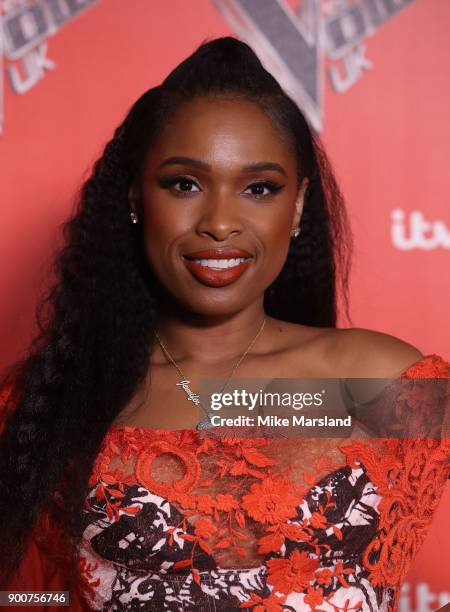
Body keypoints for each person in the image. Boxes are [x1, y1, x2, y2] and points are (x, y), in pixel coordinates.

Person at [0, 37, 448, 612]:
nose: (219, 223)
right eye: (184, 184)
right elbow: (26, 595)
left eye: (259, 188)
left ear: (299, 205)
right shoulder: (55, 400)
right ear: (137, 197)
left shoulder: (378, 385)